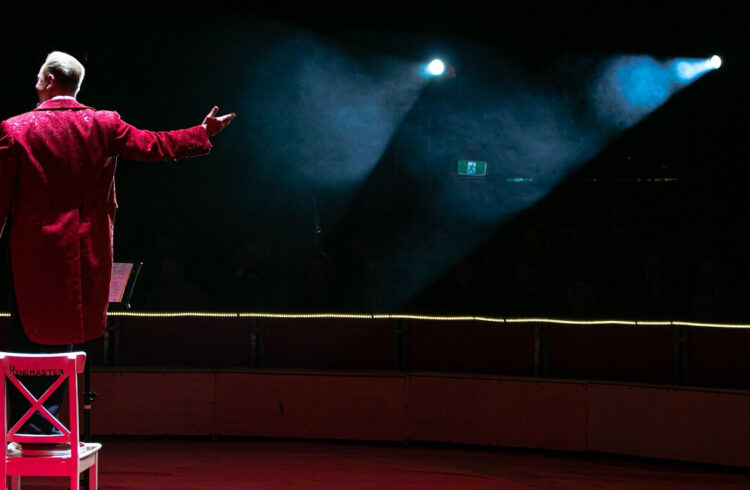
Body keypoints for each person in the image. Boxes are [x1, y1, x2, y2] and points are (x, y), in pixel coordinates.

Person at [0, 51, 235, 434]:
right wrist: (202, 133)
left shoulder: (15, 129)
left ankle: (32, 428)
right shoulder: (103, 123)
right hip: (84, 254)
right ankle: (58, 424)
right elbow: (155, 146)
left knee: (32, 343)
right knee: (71, 339)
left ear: (45, 81)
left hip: (35, 256)